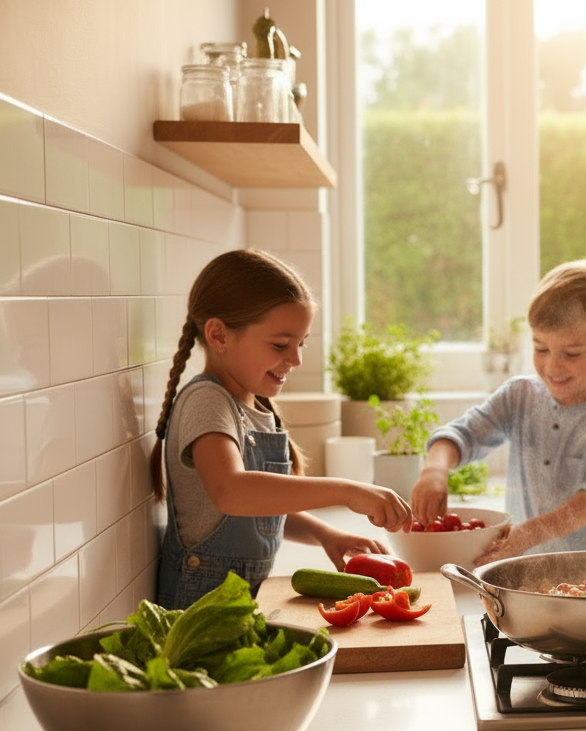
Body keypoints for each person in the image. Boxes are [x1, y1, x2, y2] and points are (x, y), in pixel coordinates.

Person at [150, 250, 412, 609]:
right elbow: (233, 492)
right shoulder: (207, 401)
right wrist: (347, 491)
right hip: (198, 610)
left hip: (236, 604)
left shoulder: (254, 406)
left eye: (301, 343)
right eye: (280, 345)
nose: (296, 359)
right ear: (218, 335)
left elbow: (259, 507)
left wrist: (324, 534)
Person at [411, 258, 586, 564]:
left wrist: (526, 535)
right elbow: (461, 434)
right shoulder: (518, 396)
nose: (552, 366)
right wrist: (433, 471)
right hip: (528, 572)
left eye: (571, 353)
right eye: (540, 348)